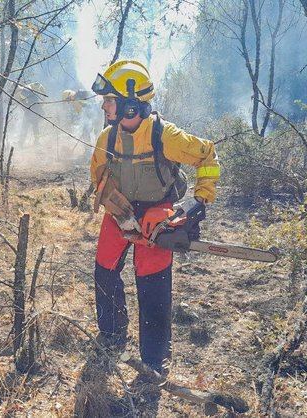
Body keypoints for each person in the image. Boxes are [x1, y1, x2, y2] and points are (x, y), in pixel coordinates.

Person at [89, 60, 220, 375]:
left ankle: (154, 358)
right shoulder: (107, 138)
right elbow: (98, 175)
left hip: (157, 213)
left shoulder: (165, 135)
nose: (105, 106)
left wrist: (195, 204)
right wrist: (117, 208)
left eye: (110, 101)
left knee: (152, 286)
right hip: (119, 213)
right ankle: (111, 332)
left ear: (131, 106)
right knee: (104, 271)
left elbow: (207, 156)